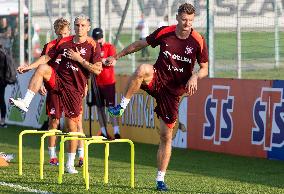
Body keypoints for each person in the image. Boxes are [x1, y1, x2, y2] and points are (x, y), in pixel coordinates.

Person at [107, 3, 208, 191]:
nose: (187, 24)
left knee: (165, 136)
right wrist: (117, 56)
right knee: (142, 69)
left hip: (173, 92)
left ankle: (160, 179)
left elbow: (205, 68)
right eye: (184, 19)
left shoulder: (198, 40)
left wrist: (195, 76)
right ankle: (121, 106)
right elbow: (140, 44)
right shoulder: (165, 32)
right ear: (177, 18)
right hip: (157, 78)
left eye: (191, 21)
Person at [10, 14, 102, 174]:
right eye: (77, 25)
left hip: (75, 89)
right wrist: (29, 66)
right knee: (42, 69)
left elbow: (98, 70)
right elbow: (47, 56)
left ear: (88, 27)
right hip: (59, 81)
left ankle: (69, 163)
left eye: (82, 25)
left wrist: (79, 59)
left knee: (72, 127)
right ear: (74, 26)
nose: (79, 28)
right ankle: (25, 102)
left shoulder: (92, 45)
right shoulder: (65, 42)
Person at [91, 27, 121, 139]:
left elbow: (112, 63)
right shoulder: (93, 48)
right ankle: (103, 132)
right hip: (96, 83)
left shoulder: (110, 47)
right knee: (99, 108)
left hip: (109, 82)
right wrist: (102, 61)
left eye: (100, 39)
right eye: (96, 39)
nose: (98, 41)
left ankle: (116, 131)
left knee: (111, 107)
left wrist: (101, 60)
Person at [0, 44, 8, 128]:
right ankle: (2, 121)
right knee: (1, 100)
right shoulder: (4, 53)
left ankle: (2, 121)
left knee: (1, 100)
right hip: (3, 81)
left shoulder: (1, 54)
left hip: (1, 81)